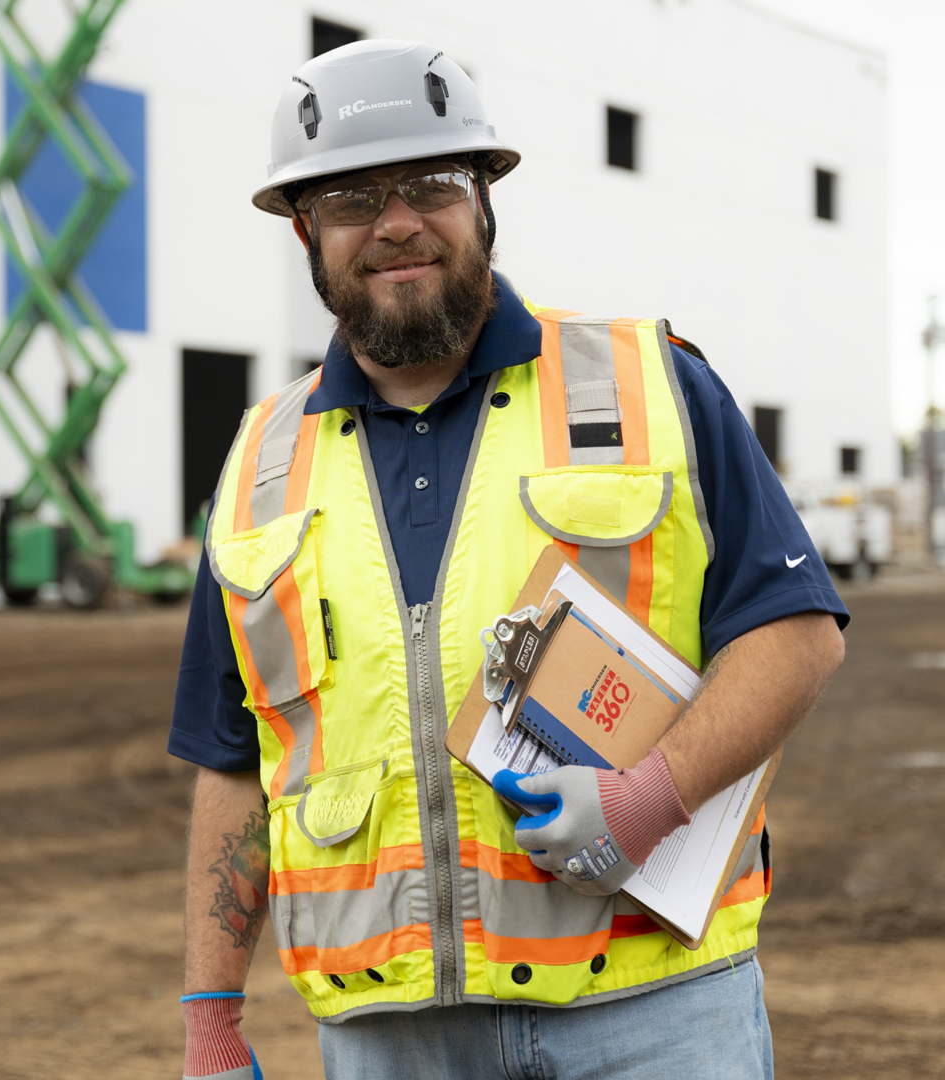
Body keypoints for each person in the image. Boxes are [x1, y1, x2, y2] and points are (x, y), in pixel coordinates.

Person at [168, 39, 848, 1080]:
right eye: (351, 198)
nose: (396, 221)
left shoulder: (650, 386)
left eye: (432, 183)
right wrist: (211, 1021)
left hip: (656, 1009)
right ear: (306, 230)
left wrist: (647, 800)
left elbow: (794, 634)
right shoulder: (264, 457)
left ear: (485, 198)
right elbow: (232, 758)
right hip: (389, 1036)